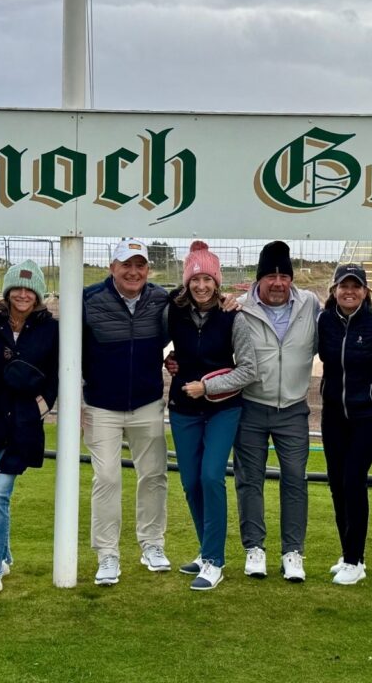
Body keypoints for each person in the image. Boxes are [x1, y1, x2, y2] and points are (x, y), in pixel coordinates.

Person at [0, 260, 58, 600]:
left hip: (21, 427)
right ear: (6, 291)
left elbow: (57, 376)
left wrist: (39, 408)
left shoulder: (52, 330)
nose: (22, 294)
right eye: (17, 287)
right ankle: (2, 556)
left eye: (30, 289)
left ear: (39, 294)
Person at [167, 242, 258, 591]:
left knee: (210, 477)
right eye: (195, 279)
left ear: (218, 283)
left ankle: (215, 561)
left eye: (208, 279)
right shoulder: (174, 311)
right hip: (183, 408)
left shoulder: (233, 315)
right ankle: (206, 549)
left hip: (223, 407)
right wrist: (170, 361)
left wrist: (208, 387)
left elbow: (248, 369)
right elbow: (164, 342)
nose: (201, 286)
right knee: (190, 482)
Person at [82, 238, 172, 586]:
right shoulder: (89, 299)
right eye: (126, 264)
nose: (133, 272)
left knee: (154, 475)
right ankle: (107, 553)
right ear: (112, 267)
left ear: (148, 270)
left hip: (147, 402)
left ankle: (152, 544)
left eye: (140, 265)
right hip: (100, 405)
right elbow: (70, 350)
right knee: (106, 478)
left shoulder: (161, 299)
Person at [233, 240, 320, 582]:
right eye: (271, 276)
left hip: (294, 410)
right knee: (249, 480)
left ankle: (292, 553)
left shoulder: (310, 303)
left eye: (285, 275)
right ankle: (254, 549)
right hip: (251, 407)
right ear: (259, 279)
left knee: (295, 479)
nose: (279, 283)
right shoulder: (239, 307)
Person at [317, 264, 372, 586]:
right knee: (336, 483)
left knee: (352, 479)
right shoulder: (324, 321)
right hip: (334, 413)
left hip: (370, 414)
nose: (350, 291)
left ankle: (354, 560)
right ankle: (350, 553)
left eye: (356, 286)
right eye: (344, 286)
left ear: (366, 291)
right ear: (334, 289)